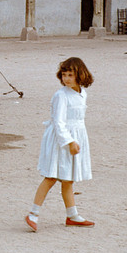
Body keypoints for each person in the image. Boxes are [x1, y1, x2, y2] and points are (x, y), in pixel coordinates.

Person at [25, 57, 95, 232]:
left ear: (80, 75)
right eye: (64, 75)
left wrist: (76, 141)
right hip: (61, 139)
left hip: (77, 136)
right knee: (51, 177)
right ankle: (33, 213)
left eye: (70, 75)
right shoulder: (61, 95)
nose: (67, 79)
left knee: (68, 179)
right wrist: (69, 141)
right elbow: (58, 122)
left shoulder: (82, 94)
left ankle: (72, 215)